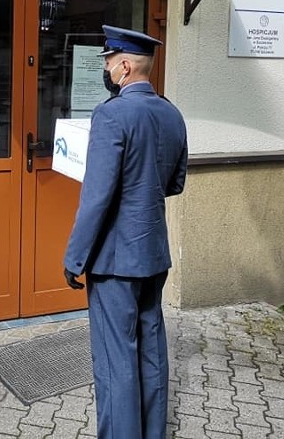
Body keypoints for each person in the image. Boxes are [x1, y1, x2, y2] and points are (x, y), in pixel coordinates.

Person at [63, 25, 188, 439]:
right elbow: (174, 184)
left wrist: (74, 257)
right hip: (154, 254)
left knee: (117, 362)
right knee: (151, 352)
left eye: (106, 62)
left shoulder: (111, 113)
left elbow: (96, 197)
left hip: (115, 261)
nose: (105, 69)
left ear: (124, 66)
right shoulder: (172, 113)